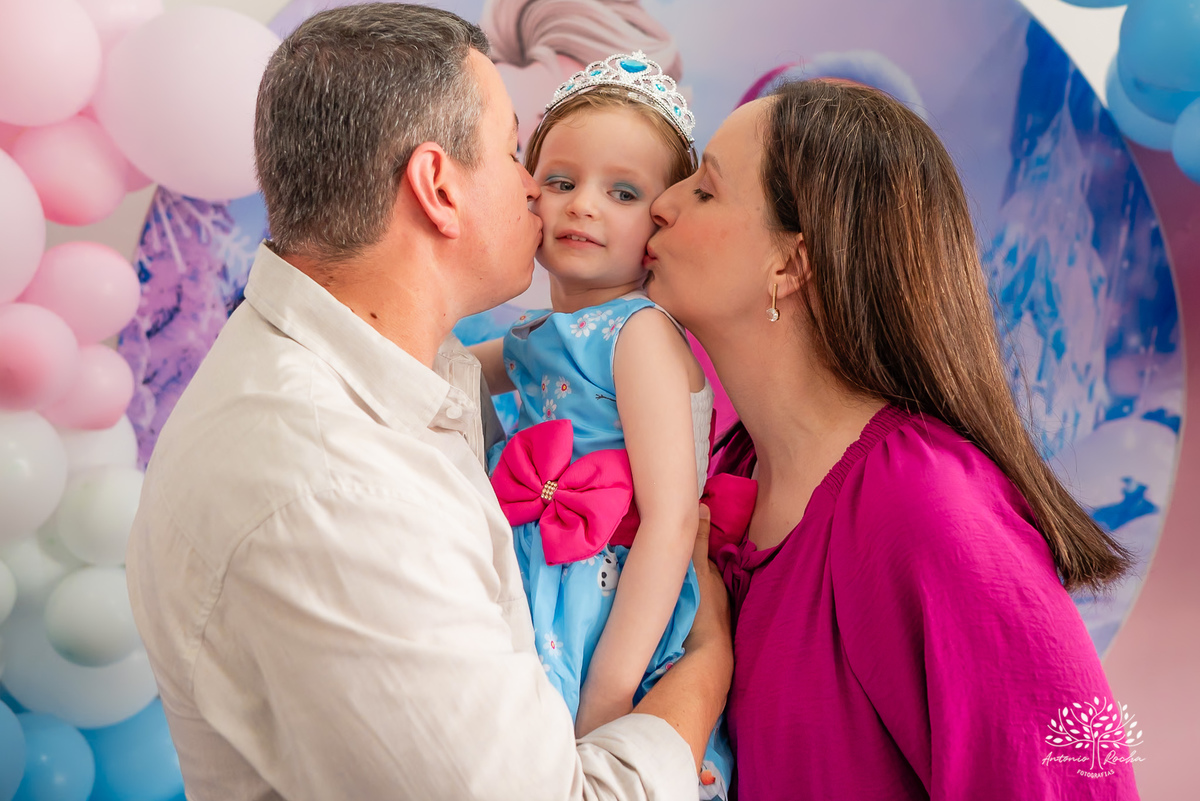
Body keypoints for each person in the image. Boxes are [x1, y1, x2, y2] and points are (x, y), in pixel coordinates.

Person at [123, 5, 732, 800]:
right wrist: (709, 664)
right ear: (438, 188)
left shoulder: (377, 374)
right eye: (519, 155)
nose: (535, 191)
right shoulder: (334, 492)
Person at [642, 79, 1141, 799]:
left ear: (790, 263)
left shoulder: (923, 504)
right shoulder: (733, 469)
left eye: (707, 190)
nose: (664, 201)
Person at [473, 52, 732, 797]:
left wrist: (610, 701)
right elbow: (443, 369)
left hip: (614, 592)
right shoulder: (537, 331)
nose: (583, 205)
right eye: (560, 182)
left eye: (621, 192)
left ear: (658, 225)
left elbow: (671, 520)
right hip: (542, 570)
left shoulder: (639, 333)